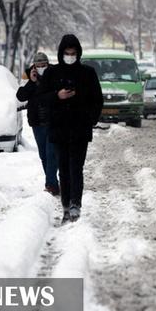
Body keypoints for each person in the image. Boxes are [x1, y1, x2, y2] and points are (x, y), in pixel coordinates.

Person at [37, 34, 103, 223]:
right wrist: (58, 96)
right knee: (63, 169)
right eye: (67, 53)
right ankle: (66, 205)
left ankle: (76, 204)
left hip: (80, 129)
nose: (70, 56)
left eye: (73, 53)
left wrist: (90, 119)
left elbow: (97, 99)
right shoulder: (51, 74)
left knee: (76, 168)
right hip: (59, 129)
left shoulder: (87, 73)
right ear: (61, 53)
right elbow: (41, 98)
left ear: (78, 53)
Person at [16, 52, 59, 196]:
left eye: (44, 65)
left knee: (51, 153)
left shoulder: (54, 73)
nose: (41, 68)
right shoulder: (27, 75)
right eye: (38, 66)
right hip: (37, 122)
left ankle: (50, 184)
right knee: (44, 155)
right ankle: (53, 182)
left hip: (53, 121)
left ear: (48, 64)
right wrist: (32, 81)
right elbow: (20, 96)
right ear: (34, 65)